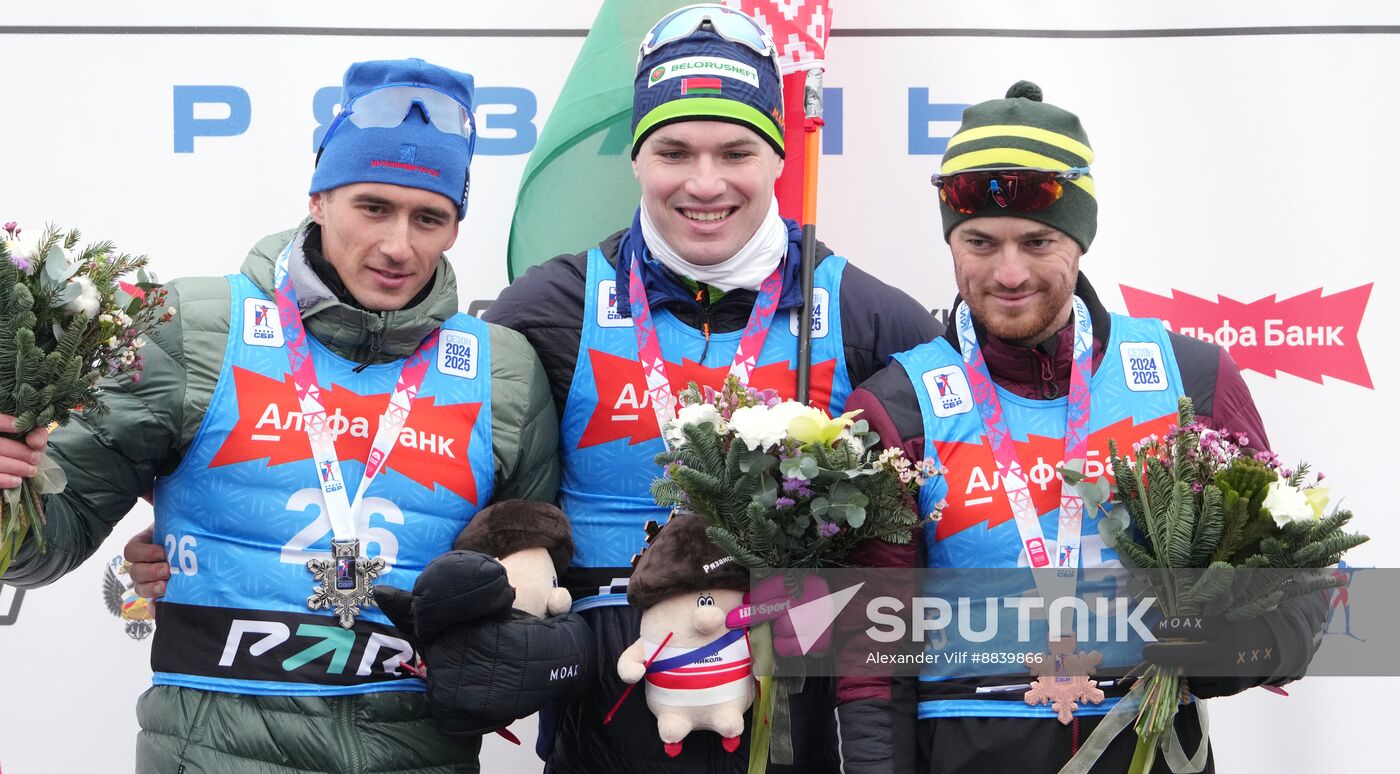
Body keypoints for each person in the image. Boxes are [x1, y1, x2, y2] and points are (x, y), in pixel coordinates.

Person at [0, 58, 559, 774]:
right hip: (212, 755)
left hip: (417, 753)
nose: (398, 245)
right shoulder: (195, 326)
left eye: (429, 218)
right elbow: (45, 542)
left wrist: (507, 647)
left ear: (455, 227)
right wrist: (11, 486)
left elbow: (532, 562)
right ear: (319, 198)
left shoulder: (501, 369)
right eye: (372, 206)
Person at [483, 6, 940, 773]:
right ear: (636, 158)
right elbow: (482, 486)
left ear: (777, 158)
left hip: (785, 728)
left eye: (735, 151)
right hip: (610, 722)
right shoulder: (552, 306)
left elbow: (949, 501)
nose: (705, 184)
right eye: (674, 151)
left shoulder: (864, 315)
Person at [844, 81, 1328, 773]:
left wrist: (1230, 647)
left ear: (1079, 238)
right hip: (969, 748)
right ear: (952, 241)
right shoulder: (899, 403)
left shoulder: (1187, 378)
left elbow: (1300, 586)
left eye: (1038, 241)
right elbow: (871, 659)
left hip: (1150, 746)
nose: (1008, 273)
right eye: (979, 241)